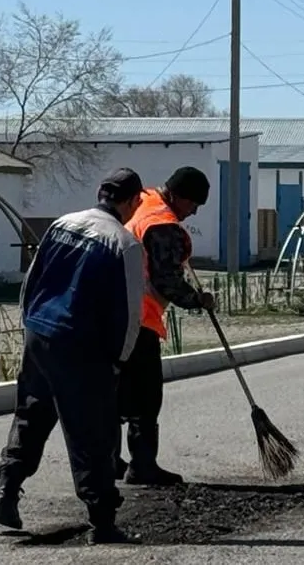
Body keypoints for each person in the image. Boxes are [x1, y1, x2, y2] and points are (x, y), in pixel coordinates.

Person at [0, 168, 147, 545]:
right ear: (131, 202)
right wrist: (118, 360)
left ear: (99, 192)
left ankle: (6, 494)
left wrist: (30, 326)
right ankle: (103, 523)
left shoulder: (62, 224)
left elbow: (32, 281)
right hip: (81, 347)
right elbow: (129, 311)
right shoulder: (124, 244)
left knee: (31, 413)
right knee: (91, 433)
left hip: (39, 334)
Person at [112, 166, 215, 486]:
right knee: (145, 397)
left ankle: (108, 462)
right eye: (194, 205)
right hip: (139, 319)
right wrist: (198, 300)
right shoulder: (163, 225)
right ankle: (143, 466)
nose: (193, 212)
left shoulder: (144, 203)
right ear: (180, 197)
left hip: (110, 313)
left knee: (114, 395)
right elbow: (166, 280)